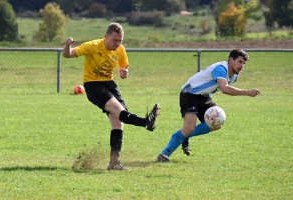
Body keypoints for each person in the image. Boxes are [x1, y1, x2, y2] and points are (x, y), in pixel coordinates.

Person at [62, 22, 160, 170]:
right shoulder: (92, 46)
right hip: (93, 85)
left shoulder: (120, 49)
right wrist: (68, 45)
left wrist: (123, 73)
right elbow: (68, 54)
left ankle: (114, 162)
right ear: (106, 36)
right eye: (114, 40)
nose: (117, 43)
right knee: (118, 110)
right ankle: (146, 122)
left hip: (109, 84)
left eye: (120, 40)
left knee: (118, 121)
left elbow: (123, 68)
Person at [157, 49, 260, 162]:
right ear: (231, 60)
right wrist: (247, 92)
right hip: (190, 94)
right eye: (240, 62)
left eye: (244, 63)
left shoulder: (234, 76)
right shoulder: (221, 68)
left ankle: (185, 135)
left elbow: (225, 88)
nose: (242, 66)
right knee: (189, 128)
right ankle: (164, 155)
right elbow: (225, 89)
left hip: (204, 97)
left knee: (216, 123)